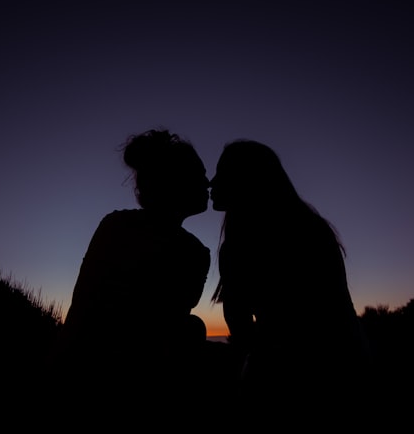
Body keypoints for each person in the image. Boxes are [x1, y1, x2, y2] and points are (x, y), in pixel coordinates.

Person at [209, 139, 371, 411]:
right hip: (348, 361)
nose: (212, 182)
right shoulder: (311, 227)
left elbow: (243, 331)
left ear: (247, 179)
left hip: (299, 376)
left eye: (222, 173)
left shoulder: (243, 245)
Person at [55, 129, 212, 409]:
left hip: (91, 366)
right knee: (193, 329)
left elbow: (82, 306)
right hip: (129, 381)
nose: (208, 182)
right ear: (175, 181)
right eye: (199, 175)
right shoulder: (193, 252)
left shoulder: (115, 225)